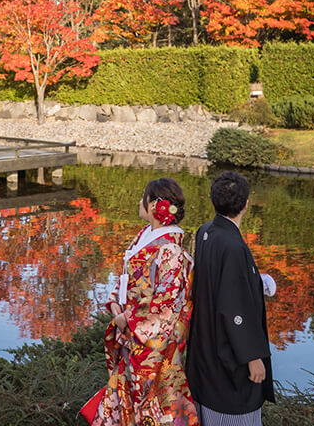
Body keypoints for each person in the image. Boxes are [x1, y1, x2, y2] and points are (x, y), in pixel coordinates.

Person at [91, 178, 198, 426]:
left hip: (152, 344)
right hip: (130, 330)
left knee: (153, 407)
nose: (140, 201)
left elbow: (165, 305)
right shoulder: (145, 237)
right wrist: (115, 304)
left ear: (154, 206)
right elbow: (126, 278)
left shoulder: (172, 251)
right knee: (128, 402)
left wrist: (125, 319)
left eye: (144, 197)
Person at [186, 171, 275, 424]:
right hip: (227, 362)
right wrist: (252, 357)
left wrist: (258, 283)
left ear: (214, 200)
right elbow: (233, 306)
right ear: (246, 204)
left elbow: (218, 283)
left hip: (205, 350)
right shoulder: (233, 246)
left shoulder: (206, 232)